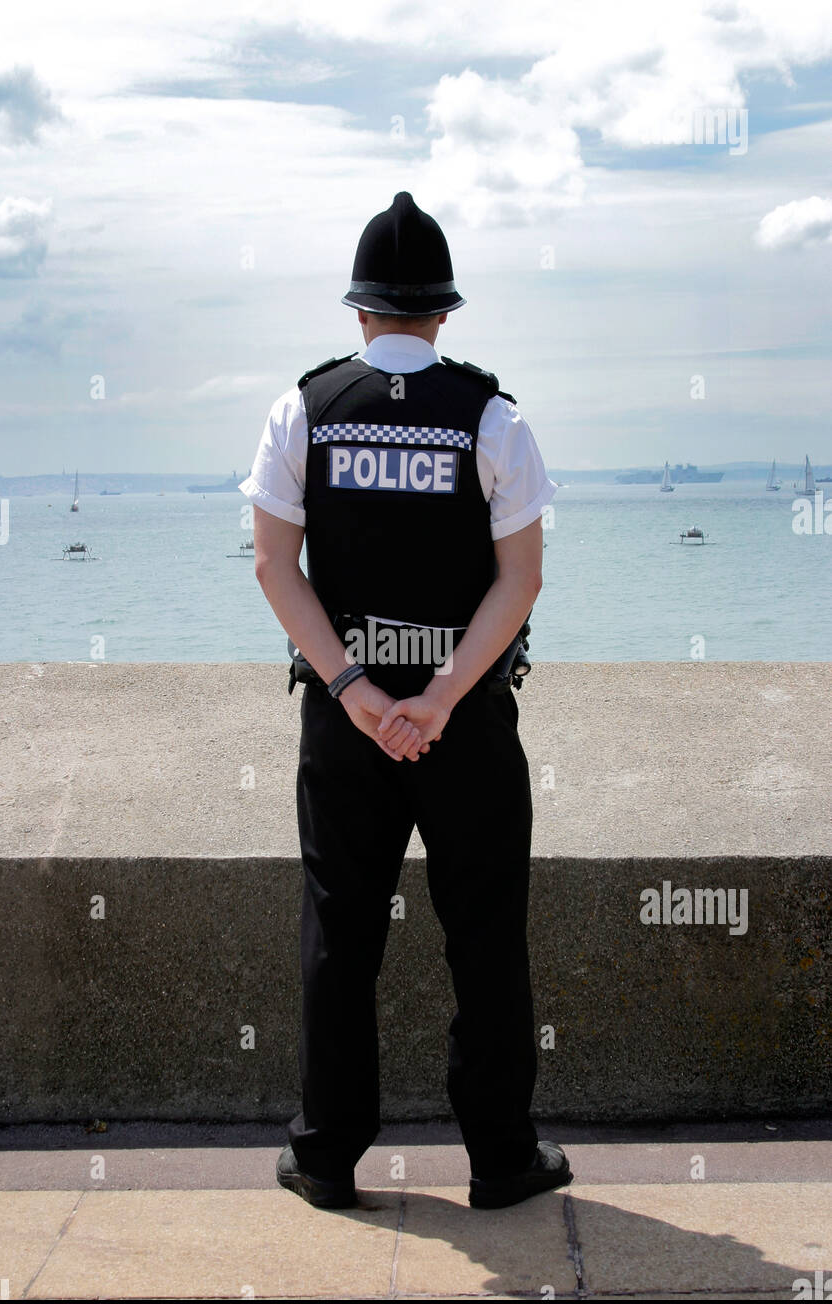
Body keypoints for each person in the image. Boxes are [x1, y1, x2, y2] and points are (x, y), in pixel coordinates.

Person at [241, 190, 572, 1210]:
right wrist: (435, 700)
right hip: (464, 724)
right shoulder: (491, 417)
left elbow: (270, 566)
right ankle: (500, 1159)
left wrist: (351, 687)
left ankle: (329, 1156)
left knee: (340, 932)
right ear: (441, 314)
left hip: (344, 727)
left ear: (359, 313)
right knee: (483, 930)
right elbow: (518, 581)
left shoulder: (303, 410)